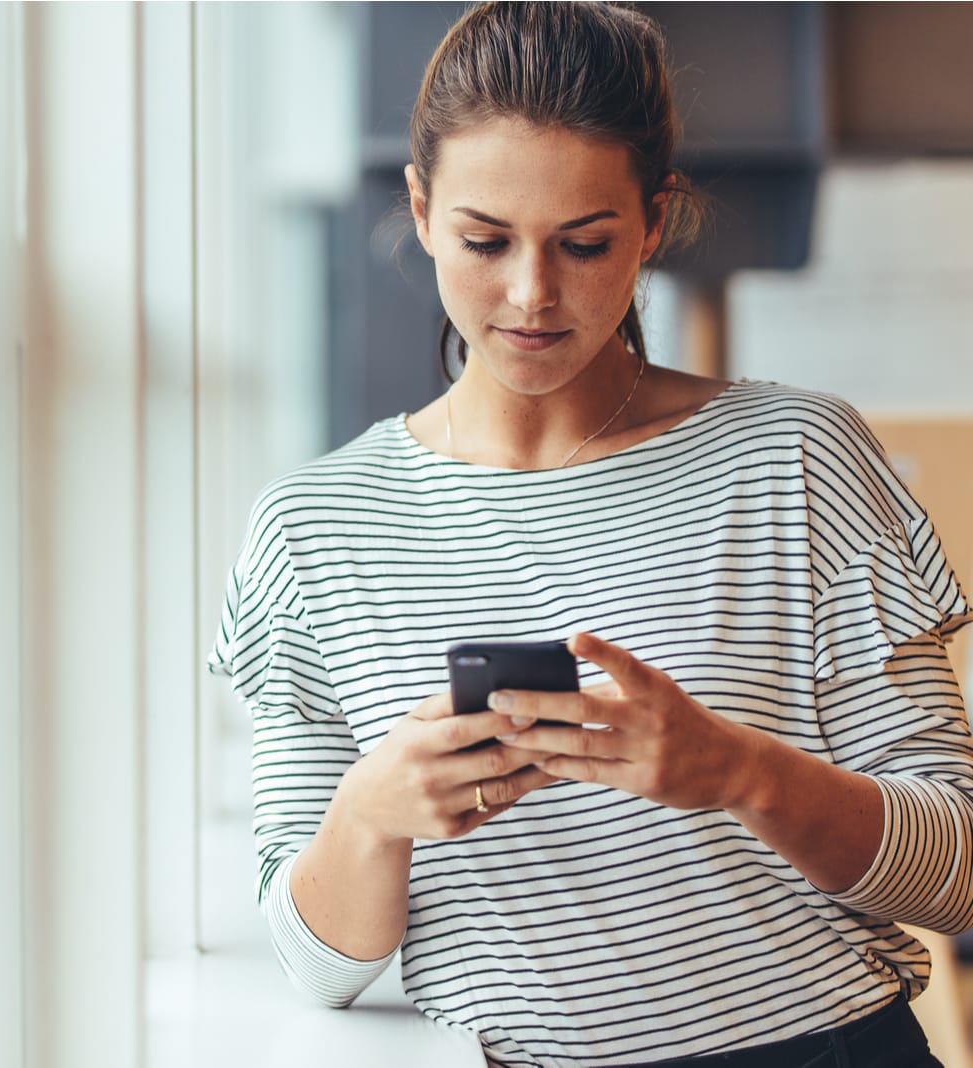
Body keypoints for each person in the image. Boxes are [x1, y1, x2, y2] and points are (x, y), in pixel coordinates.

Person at [206, 4, 972, 1066]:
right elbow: (316, 966)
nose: (531, 295)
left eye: (584, 243)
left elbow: (956, 867)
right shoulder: (313, 530)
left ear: (653, 223)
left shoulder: (796, 456)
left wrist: (736, 771)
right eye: (485, 240)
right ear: (421, 210)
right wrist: (372, 813)